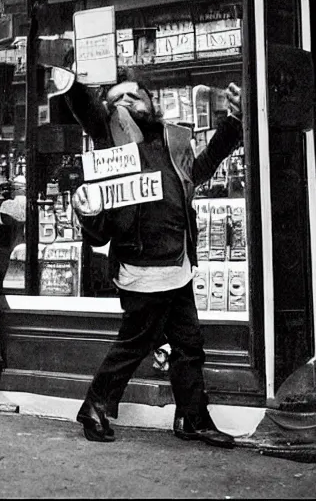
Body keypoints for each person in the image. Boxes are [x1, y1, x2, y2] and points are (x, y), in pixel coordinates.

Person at [65, 68, 243, 448]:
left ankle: (191, 417)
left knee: (189, 345)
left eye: (134, 96)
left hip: (176, 264)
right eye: (117, 100)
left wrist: (235, 123)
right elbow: (84, 105)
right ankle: (95, 405)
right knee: (136, 342)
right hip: (140, 269)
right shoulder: (110, 146)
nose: (126, 103)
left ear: (151, 103)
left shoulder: (172, 141)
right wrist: (73, 76)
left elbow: (202, 166)